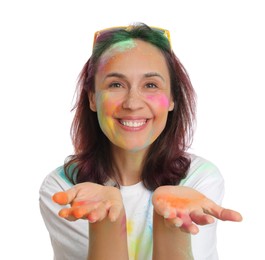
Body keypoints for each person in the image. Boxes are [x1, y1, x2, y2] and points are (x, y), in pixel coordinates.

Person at [39, 23, 242, 260]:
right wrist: (106, 220)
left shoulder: (200, 178)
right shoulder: (64, 188)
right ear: (93, 98)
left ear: (173, 98)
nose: (133, 103)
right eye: (116, 84)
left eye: (151, 85)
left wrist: (169, 224)